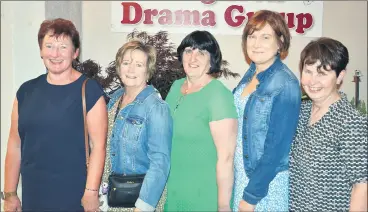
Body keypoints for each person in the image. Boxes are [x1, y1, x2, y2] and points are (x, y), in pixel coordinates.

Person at [2, 18, 107, 211]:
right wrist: (9, 193)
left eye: (63, 47)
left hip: (75, 196)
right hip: (34, 195)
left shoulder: (90, 91)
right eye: (49, 46)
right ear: (41, 51)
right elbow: (14, 143)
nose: (55, 54)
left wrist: (91, 192)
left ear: (75, 52)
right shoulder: (25, 92)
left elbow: (98, 146)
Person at [232, 10, 301, 211]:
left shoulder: (285, 83)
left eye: (265, 37)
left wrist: (251, 196)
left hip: (264, 185)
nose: (256, 43)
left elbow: (276, 149)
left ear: (280, 42)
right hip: (243, 175)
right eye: (252, 36)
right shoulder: (252, 73)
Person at [289, 37, 368, 211]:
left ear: (340, 76)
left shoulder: (350, 122)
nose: (312, 81)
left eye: (322, 73)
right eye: (308, 71)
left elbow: (361, 186)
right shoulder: (301, 111)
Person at [164, 30, 238, 211]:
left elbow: (226, 158)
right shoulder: (175, 87)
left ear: (212, 60)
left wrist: (223, 205)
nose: (193, 58)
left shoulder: (218, 95)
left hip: (204, 194)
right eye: (188, 50)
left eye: (202, 53)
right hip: (173, 189)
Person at [98, 40, 173, 212]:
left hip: (138, 202)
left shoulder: (156, 107)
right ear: (119, 67)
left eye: (139, 64)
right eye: (126, 63)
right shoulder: (114, 101)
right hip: (111, 197)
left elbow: (160, 163)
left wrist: (143, 207)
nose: (131, 69)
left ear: (148, 71)